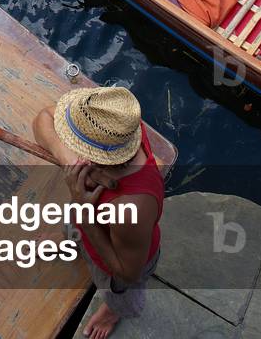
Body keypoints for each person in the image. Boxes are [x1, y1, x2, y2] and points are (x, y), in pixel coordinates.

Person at [32, 86, 164, 339]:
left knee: (121, 296)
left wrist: (85, 213)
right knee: (73, 225)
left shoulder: (130, 209)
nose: (66, 142)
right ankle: (71, 239)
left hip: (120, 258)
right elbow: (43, 119)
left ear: (94, 158)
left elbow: (127, 273)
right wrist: (70, 161)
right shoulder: (118, 130)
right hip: (88, 214)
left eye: (72, 143)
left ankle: (111, 312)